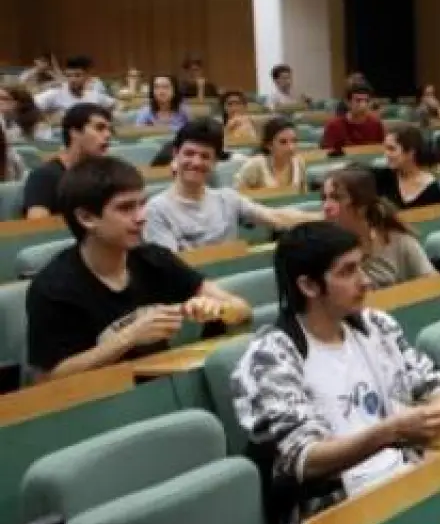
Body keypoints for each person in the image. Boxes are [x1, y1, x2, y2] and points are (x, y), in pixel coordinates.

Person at [230, 221, 440, 524]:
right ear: (308, 285)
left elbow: (431, 386)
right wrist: (390, 433)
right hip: (334, 513)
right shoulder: (271, 356)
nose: (365, 280)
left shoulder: (376, 325)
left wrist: (434, 414)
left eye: (362, 266)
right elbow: (305, 459)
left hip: (407, 479)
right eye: (348, 271)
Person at [25, 156, 251, 380]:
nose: (142, 217)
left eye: (142, 204)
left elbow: (243, 309)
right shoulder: (52, 288)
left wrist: (217, 309)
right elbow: (49, 379)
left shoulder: (155, 259)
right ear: (86, 217)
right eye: (125, 208)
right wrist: (129, 337)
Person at [143, 118, 315, 251]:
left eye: (205, 156)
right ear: (175, 154)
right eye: (189, 154)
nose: (196, 162)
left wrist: (323, 217)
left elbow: (276, 217)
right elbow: (169, 268)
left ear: (215, 162)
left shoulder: (227, 199)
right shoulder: (157, 209)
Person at [321, 167, 437, 288]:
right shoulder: (324, 250)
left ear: (362, 206)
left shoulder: (399, 242)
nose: (326, 207)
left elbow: (433, 285)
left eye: (337, 198)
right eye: (324, 198)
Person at [22, 103, 112, 219]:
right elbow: (38, 225)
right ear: (74, 132)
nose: (108, 135)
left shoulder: (106, 173)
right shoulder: (44, 176)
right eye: (99, 128)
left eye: (109, 130)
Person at [375, 127, 440, 210]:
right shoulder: (382, 177)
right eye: (386, 149)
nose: (386, 154)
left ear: (410, 152)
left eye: (392, 149)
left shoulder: (431, 188)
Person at [234, 117, 306, 193]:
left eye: (294, 141)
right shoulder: (254, 165)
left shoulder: (299, 163)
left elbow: (303, 194)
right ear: (269, 145)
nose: (291, 147)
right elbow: (236, 196)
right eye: (283, 142)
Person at [33, 55, 115, 113]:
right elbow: (30, 106)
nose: (72, 79)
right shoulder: (56, 93)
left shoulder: (94, 95)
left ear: (87, 77)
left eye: (77, 75)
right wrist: (48, 118)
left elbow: (113, 105)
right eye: (68, 76)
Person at [321, 83, 385, 152]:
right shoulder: (334, 126)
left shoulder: (376, 124)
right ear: (347, 102)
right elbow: (326, 153)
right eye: (358, 101)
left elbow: (383, 149)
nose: (363, 105)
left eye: (367, 101)